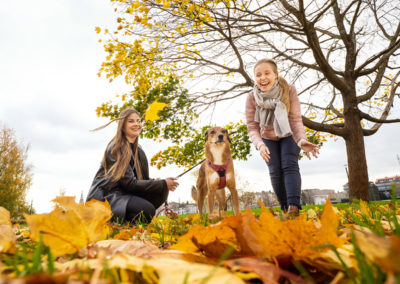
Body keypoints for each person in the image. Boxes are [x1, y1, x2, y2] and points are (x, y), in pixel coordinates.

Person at [245, 58, 319, 216]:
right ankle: (284, 208)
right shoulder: (252, 97)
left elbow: (295, 119)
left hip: (288, 133)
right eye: (258, 75)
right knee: (275, 170)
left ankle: (293, 207)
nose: (262, 78)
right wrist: (260, 145)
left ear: (275, 75)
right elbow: (252, 126)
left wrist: (301, 140)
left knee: (289, 164)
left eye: (267, 73)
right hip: (267, 138)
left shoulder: (288, 90)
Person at [86, 108, 179, 223]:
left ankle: (130, 219)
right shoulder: (116, 148)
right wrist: (160, 183)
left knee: (162, 190)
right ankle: (115, 221)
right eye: (131, 121)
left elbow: (140, 180)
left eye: (138, 121)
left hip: (126, 193)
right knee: (147, 210)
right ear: (122, 126)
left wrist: (159, 182)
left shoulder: (138, 151)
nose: (136, 124)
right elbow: (130, 183)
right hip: (108, 196)